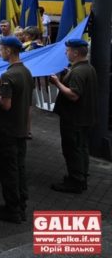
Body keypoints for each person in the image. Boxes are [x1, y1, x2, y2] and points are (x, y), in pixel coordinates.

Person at [0, 36, 33, 223]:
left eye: (1, 49)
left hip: (8, 129)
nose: (0, 52)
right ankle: (21, 204)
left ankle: (12, 209)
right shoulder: (26, 72)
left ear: (8, 51)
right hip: (21, 127)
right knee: (20, 167)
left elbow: (5, 105)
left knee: (8, 170)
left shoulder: (9, 75)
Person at [49, 39, 97, 193]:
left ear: (75, 53)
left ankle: (75, 182)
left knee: (72, 149)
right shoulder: (87, 68)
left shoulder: (78, 72)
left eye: (68, 50)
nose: (65, 52)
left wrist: (57, 83)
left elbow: (74, 95)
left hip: (73, 119)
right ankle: (80, 176)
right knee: (81, 147)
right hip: (83, 118)